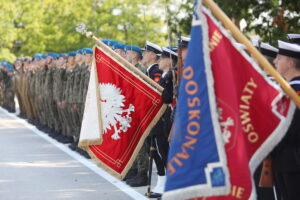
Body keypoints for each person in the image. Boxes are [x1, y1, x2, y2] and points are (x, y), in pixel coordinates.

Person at [126, 41, 163, 187]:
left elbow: (155, 96)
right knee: (150, 148)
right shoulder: (149, 71)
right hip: (143, 113)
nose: (144, 54)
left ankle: (149, 176)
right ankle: (155, 179)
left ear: (153, 56)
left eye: (146, 52)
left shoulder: (155, 72)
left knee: (156, 150)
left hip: (153, 117)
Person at [272, 40, 300, 200]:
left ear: (290, 63)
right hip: (285, 160)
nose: (275, 61)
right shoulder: (287, 90)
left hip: (293, 161)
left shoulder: (295, 92)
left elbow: (292, 129)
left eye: (279, 58)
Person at [148, 47, 177, 198]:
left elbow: (166, 98)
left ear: (170, 60)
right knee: (161, 152)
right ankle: (165, 184)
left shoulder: (171, 76)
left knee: (167, 154)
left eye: (162, 58)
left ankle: (170, 186)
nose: (159, 60)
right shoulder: (167, 75)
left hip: (168, 119)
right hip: (164, 119)